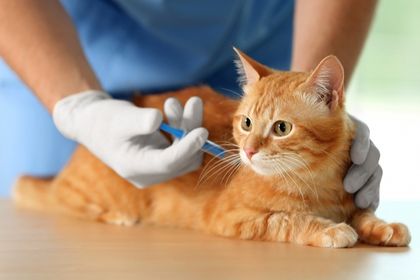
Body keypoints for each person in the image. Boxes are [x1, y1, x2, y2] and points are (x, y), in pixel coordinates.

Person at [0, 0, 381, 209]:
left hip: (261, 46)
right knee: (50, 215)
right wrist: (78, 106)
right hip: (76, 42)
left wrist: (314, 104)